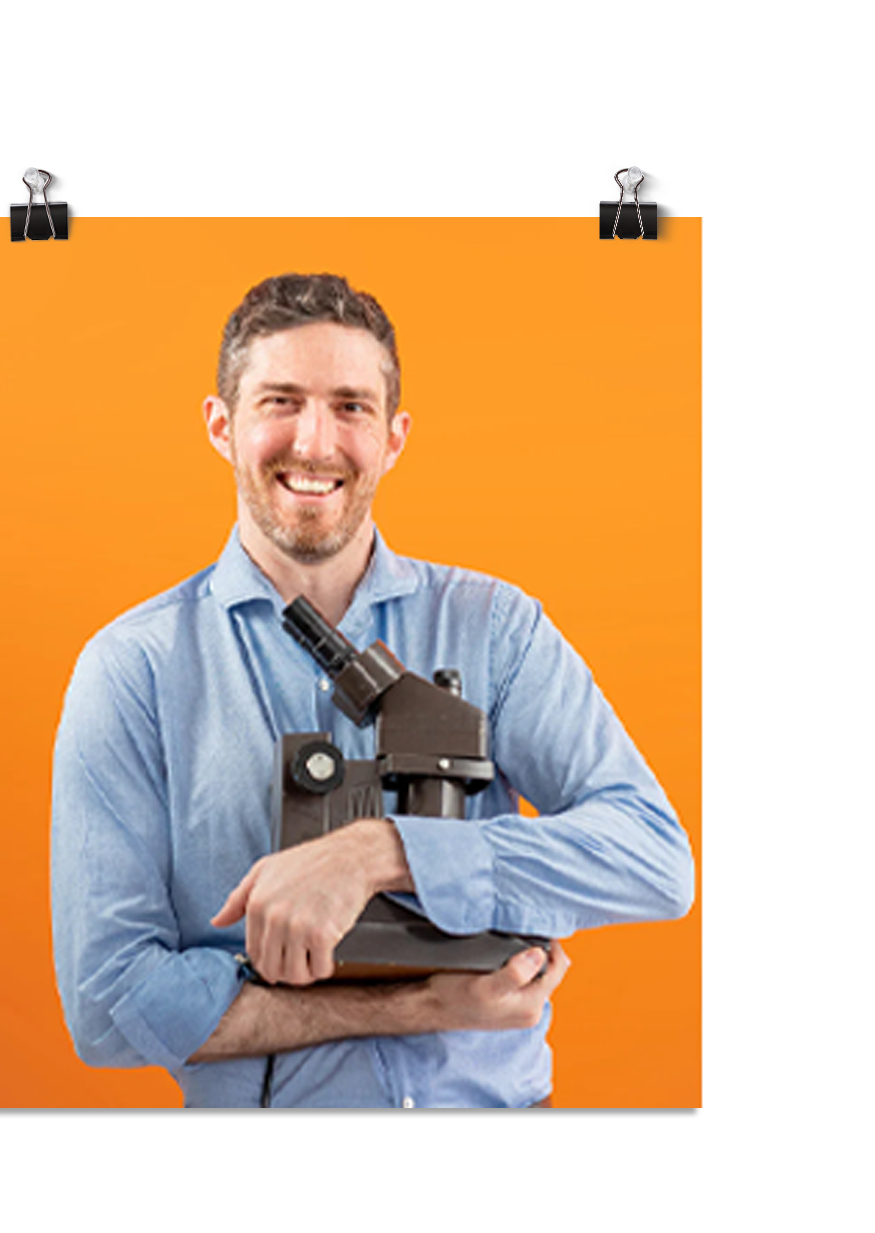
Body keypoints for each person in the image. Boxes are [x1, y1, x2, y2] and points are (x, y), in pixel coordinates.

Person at [51, 273, 694, 1109]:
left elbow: (653, 859)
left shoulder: (496, 627)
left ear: (393, 438)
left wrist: (381, 853)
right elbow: (107, 1007)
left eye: (350, 407)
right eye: (280, 401)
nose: (314, 443)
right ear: (222, 425)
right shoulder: (132, 670)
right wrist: (419, 1007)